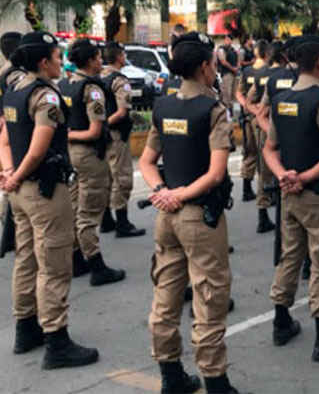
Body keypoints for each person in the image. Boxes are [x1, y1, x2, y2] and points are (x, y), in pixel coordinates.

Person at [139, 32, 240, 394]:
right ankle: (216, 382)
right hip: (199, 216)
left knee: (165, 296)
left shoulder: (163, 107)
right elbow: (215, 173)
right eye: (213, 63)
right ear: (204, 66)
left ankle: (171, 376)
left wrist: (161, 192)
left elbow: (147, 162)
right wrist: (179, 194)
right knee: (210, 299)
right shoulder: (213, 110)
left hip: (167, 217)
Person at [0, 31, 99, 368]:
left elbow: (5, 142)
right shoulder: (45, 96)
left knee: (26, 258)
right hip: (43, 191)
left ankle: (26, 329)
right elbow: (39, 149)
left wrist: (10, 173)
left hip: (20, 194)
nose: (61, 62)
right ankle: (57, 340)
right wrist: (17, 174)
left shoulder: (13, 92)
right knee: (54, 265)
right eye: (57, 56)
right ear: (43, 61)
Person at [262, 34, 319, 362]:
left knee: (290, 256)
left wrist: (284, 176)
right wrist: (304, 178)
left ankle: (281, 321)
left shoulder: (280, 100)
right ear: (318, 62)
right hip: (315, 195)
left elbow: (269, 149)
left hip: (289, 195)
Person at [58, 38, 126, 286]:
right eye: (98, 57)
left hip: (70, 155)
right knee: (88, 213)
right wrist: (71, 134)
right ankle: (97, 266)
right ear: (89, 61)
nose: (101, 61)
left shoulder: (65, 85)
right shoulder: (91, 89)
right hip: (88, 156)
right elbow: (94, 131)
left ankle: (77, 260)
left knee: (74, 209)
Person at [99, 41, 145, 238]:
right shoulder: (119, 80)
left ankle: (106, 219)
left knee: (106, 178)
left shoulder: (99, 77)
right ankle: (122, 222)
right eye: (123, 53)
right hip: (116, 135)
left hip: (102, 137)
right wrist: (106, 124)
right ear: (119, 56)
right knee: (122, 177)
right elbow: (121, 111)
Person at [0, 32, 25, 227]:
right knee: (16, 178)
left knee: (10, 175)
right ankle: (9, 222)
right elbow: (20, 104)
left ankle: (6, 220)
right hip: (14, 132)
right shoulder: (16, 74)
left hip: (4, 130)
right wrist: (6, 121)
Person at [238, 40, 277, 233]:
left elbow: (244, 98)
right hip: (275, 127)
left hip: (256, 123)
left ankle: (260, 205)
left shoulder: (252, 74)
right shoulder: (283, 76)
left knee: (257, 160)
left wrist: (256, 113)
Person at [217, 34, 239, 109]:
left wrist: (237, 68)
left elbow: (237, 59)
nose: (229, 41)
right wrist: (233, 69)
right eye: (228, 39)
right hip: (227, 74)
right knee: (226, 94)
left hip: (234, 74)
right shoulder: (221, 49)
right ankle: (226, 114)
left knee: (234, 95)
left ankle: (232, 113)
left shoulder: (232, 49)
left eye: (230, 39)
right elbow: (223, 61)